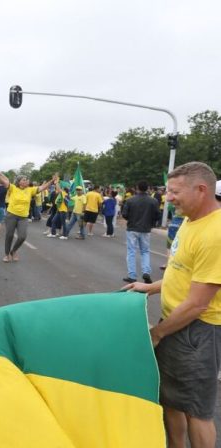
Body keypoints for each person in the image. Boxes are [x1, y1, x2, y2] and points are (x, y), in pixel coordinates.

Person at [124, 162, 221, 448]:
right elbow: (181, 273)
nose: (169, 198)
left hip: (198, 333)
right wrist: (150, 288)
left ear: (201, 190)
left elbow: (197, 304)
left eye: (175, 191)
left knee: (197, 411)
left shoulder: (215, 234)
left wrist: (158, 333)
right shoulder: (191, 222)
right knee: (171, 401)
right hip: (177, 324)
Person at [0, 168, 57, 262]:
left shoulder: (30, 190)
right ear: (19, 182)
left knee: (22, 237)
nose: (26, 181)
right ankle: (7, 254)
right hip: (11, 215)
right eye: (24, 180)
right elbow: (4, 181)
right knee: (9, 235)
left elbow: (42, 187)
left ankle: (13, 251)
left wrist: (51, 181)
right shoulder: (13, 187)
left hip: (23, 217)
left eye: (27, 180)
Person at [121, 180, 160, 283]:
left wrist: (131, 219)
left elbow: (124, 214)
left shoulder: (130, 200)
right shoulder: (153, 201)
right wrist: (151, 223)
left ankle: (132, 276)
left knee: (131, 252)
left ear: (137, 188)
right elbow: (157, 215)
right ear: (147, 188)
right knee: (145, 251)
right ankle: (146, 272)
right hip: (146, 229)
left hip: (132, 228)